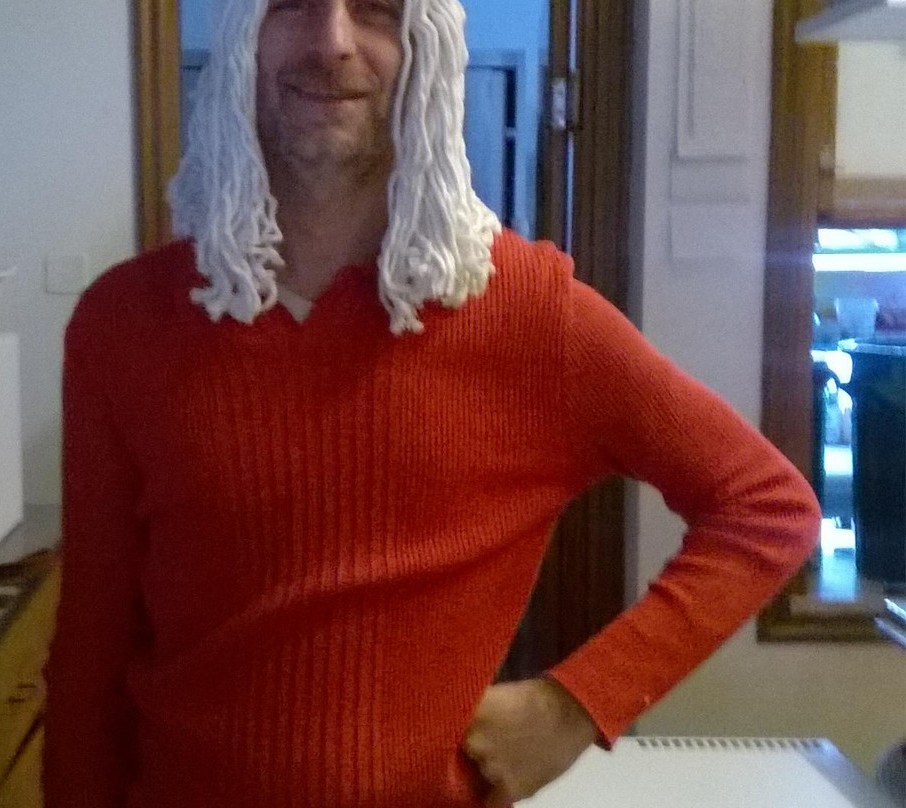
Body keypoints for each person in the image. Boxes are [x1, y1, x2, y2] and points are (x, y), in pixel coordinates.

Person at [42, 0, 821, 805]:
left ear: (432, 49)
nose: (332, 42)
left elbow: (766, 508)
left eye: (376, 10)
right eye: (293, 4)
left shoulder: (532, 317)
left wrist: (574, 704)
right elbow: (90, 652)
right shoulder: (123, 323)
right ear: (241, 34)